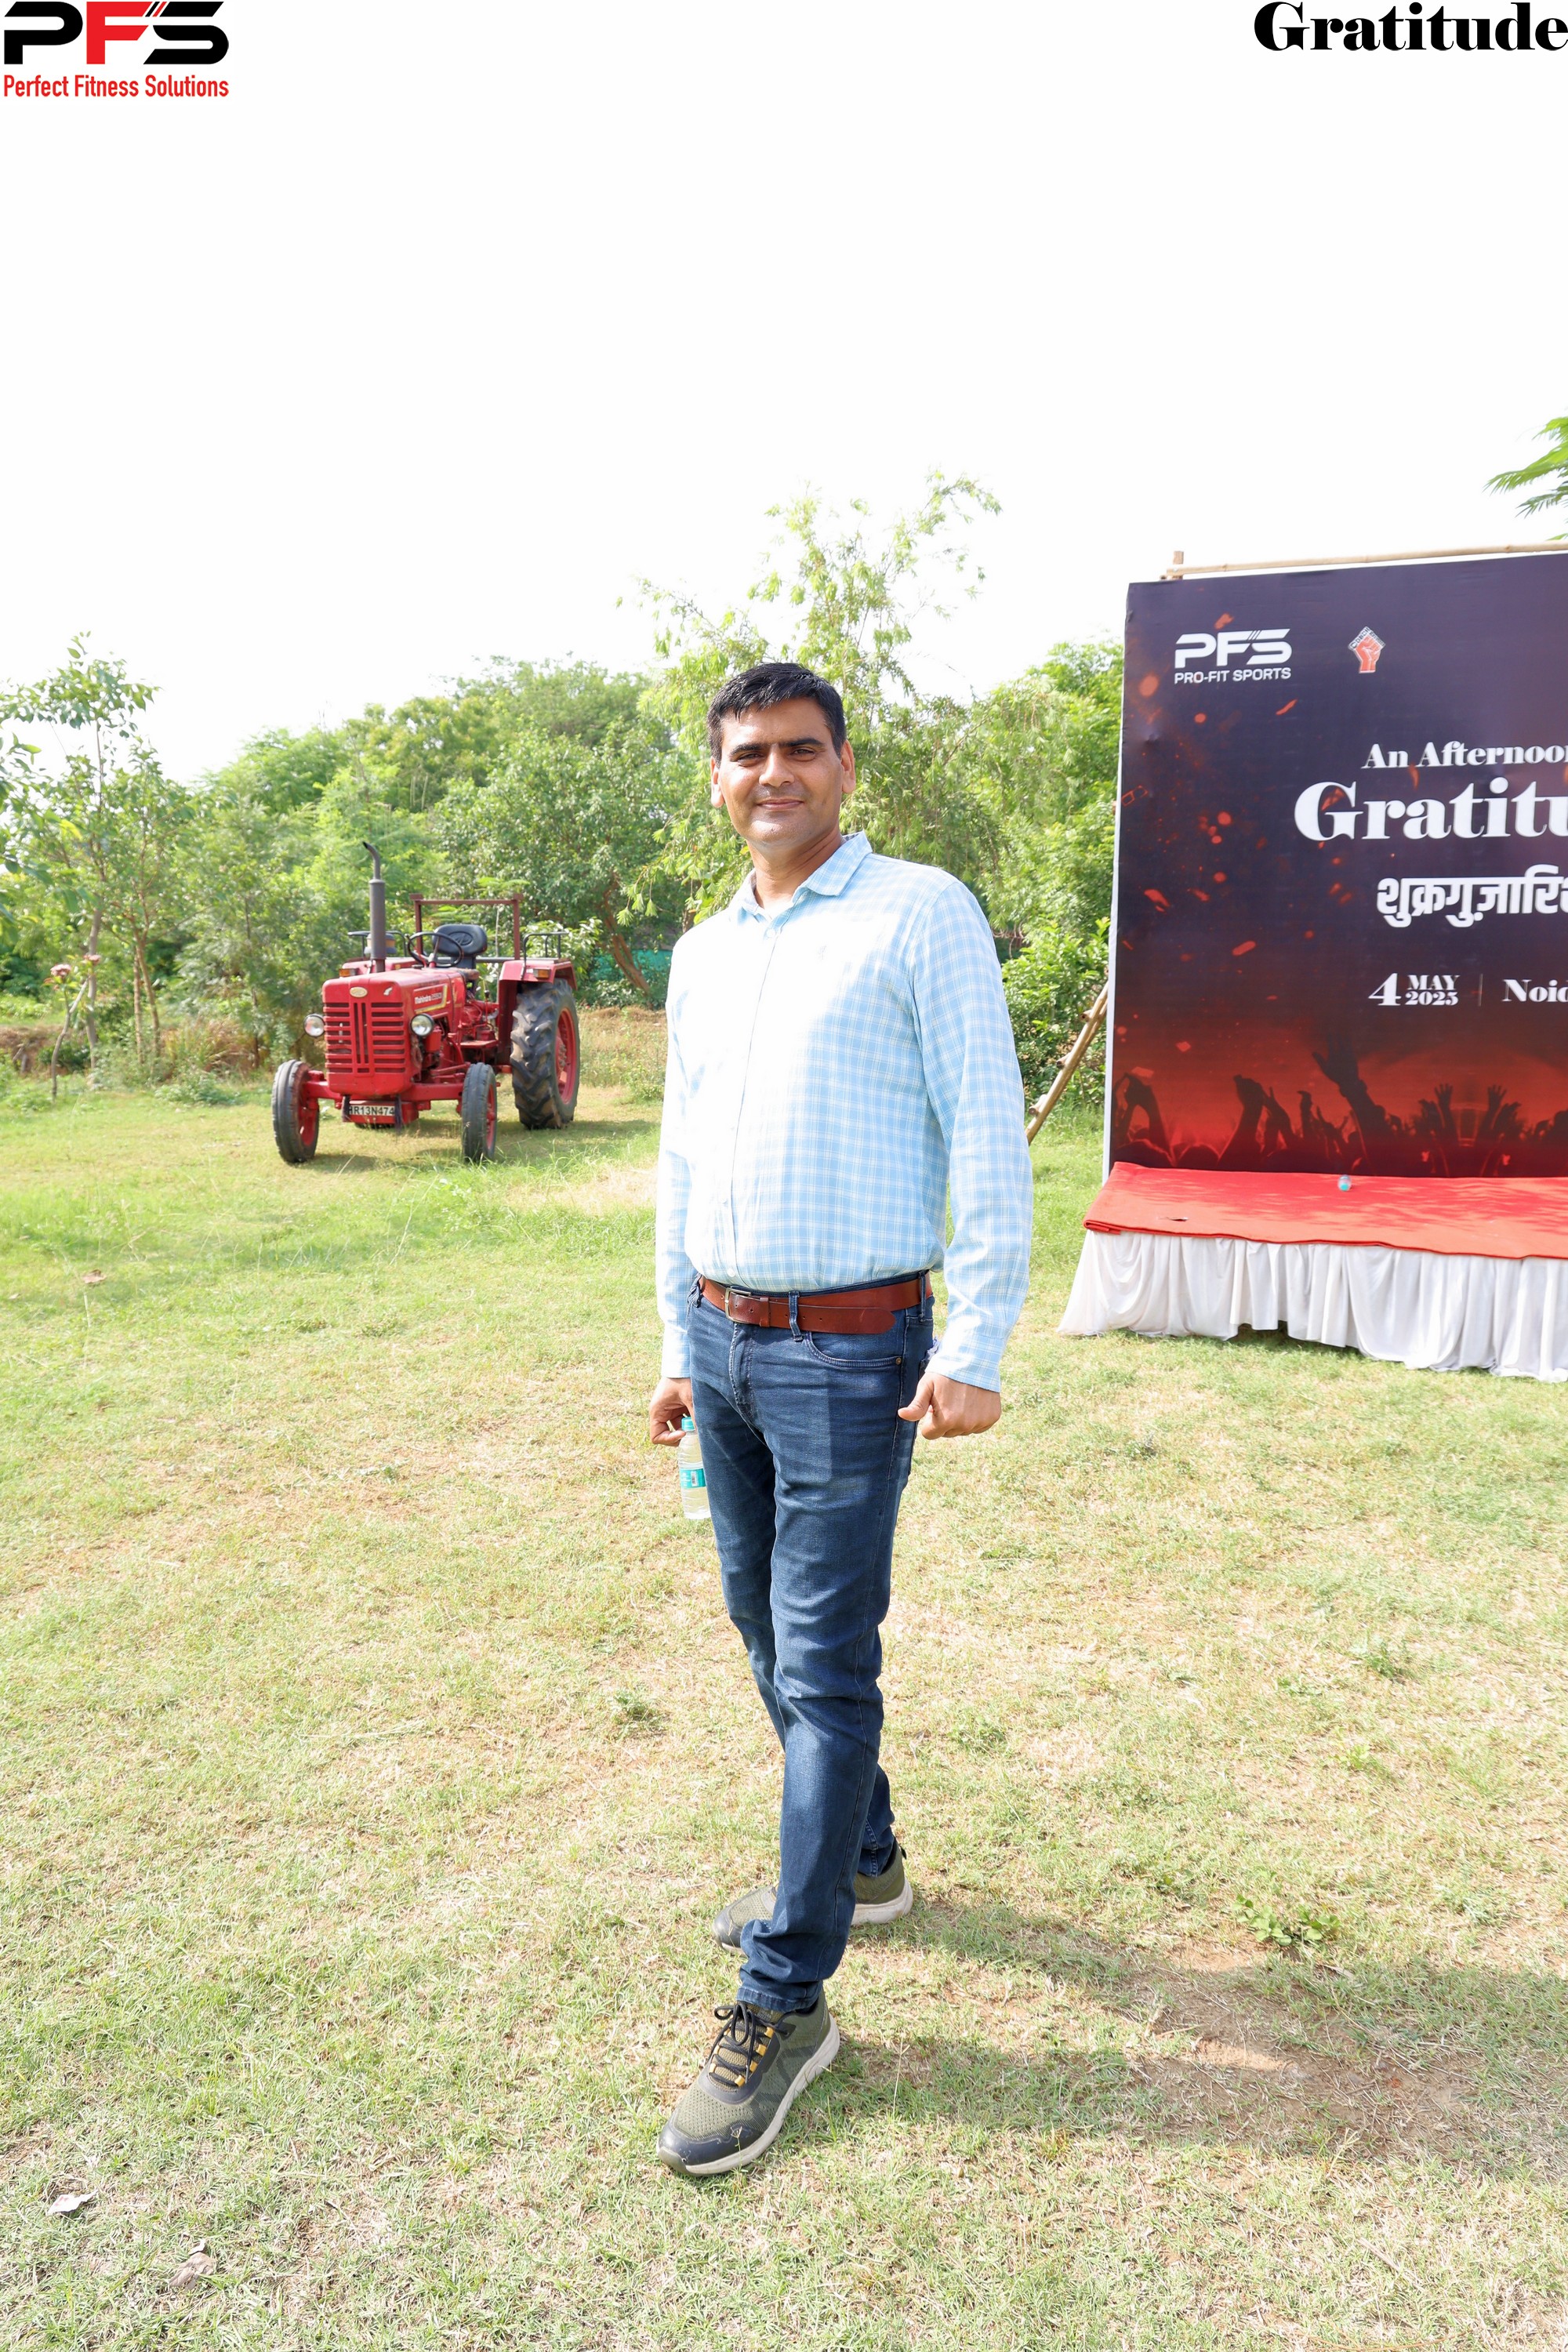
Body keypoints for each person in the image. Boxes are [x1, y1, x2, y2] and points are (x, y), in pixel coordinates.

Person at [648, 661, 1033, 2176]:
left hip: (855, 1355)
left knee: (819, 1660)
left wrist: (978, 1341)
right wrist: (675, 1342)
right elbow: (683, 1161)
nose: (773, 774)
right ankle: (862, 1860)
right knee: (760, 1627)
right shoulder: (701, 953)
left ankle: (787, 1996)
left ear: (845, 767)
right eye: (747, 753)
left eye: (800, 749)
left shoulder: (920, 913)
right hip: (726, 1344)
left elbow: (986, 1130)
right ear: (719, 777)